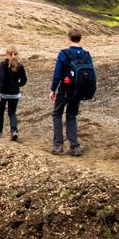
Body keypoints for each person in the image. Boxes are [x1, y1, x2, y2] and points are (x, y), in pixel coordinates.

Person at [50, 28, 95, 156]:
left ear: (69, 38)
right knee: (71, 116)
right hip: (79, 90)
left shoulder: (64, 54)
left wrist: (53, 89)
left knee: (57, 113)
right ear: (80, 38)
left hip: (65, 89)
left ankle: (58, 145)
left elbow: (57, 73)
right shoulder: (86, 54)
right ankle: (75, 147)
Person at [0, 46, 26, 141]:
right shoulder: (20, 66)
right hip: (15, 93)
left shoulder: (3, 65)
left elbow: (0, 80)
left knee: (0, 112)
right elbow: (24, 80)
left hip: (3, 93)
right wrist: (17, 85)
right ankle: (14, 131)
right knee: (12, 113)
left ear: (7, 54)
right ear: (17, 54)